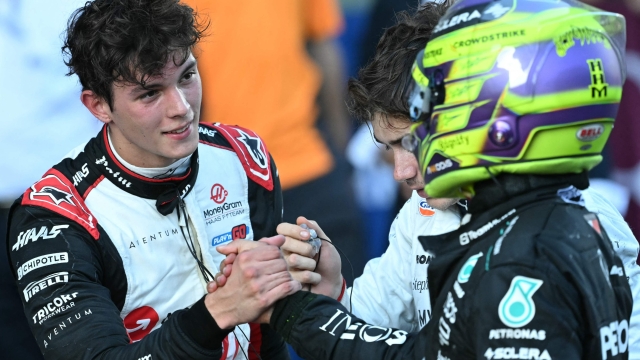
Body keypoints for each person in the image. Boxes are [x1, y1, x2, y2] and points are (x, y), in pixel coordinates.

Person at [217, 0, 635, 358]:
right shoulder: (421, 216)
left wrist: (297, 313)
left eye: (410, 142)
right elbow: (377, 332)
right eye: (389, 149)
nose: (402, 171)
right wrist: (333, 292)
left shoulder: (561, 234)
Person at [5, 0, 299, 359]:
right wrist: (218, 312)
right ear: (98, 105)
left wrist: (325, 281)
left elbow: (269, 336)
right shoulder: (54, 217)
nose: (182, 108)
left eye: (187, 76)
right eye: (150, 93)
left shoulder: (243, 155)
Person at [182, 0, 368, 282]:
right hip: (229, 183)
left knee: (348, 303)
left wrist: (343, 158)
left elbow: (323, 47)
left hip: (309, 167)